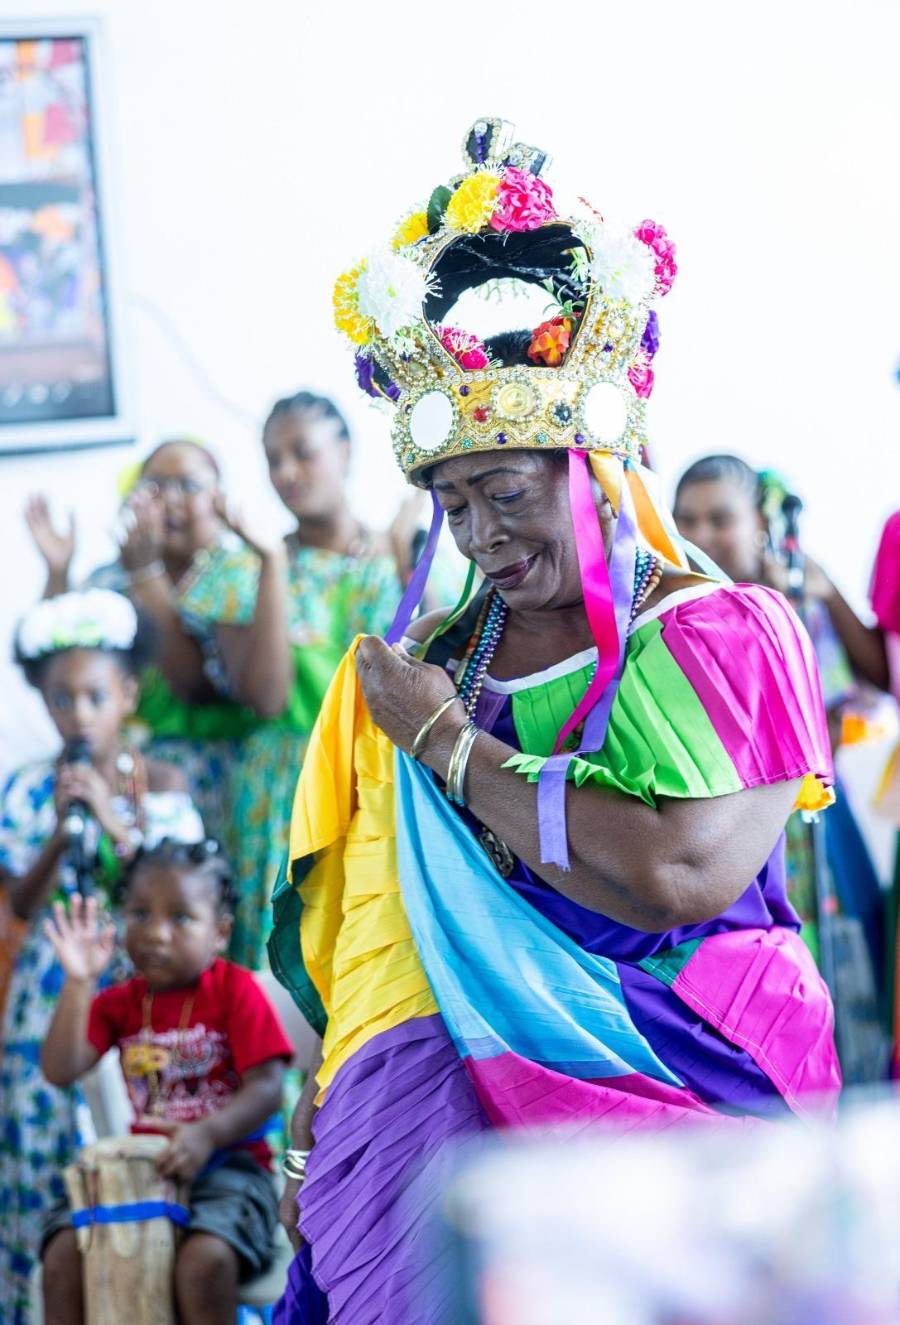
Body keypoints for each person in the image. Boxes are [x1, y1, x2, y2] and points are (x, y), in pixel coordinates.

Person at [269, 118, 841, 1323]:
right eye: (454, 504)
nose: (482, 538)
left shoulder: (719, 633)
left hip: (704, 1113)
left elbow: (675, 870)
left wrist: (449, 745)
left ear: (589, 467)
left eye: (510, 493)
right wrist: (339, 1099)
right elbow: (383, 939)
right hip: (462, 1127)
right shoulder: (420, 666)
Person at [0, 589, 204, 1324]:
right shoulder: (27, 789)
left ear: (126, 693)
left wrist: (114, 822)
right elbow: (22, 903)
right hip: (49, 995)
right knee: (48, 1141)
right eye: (62, 699)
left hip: (138, 996)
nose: (79, 714)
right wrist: (61, 827)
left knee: (136, 1144)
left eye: (93, 695)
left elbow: (172, 886)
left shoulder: (164, 789)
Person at [178, 391, 402, 967]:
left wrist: (406, 555)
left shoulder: (402, 556)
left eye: (302, 453)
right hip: (282, 789)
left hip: (375, 781)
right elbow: (268, 697)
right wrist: (272, 567)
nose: (285, 473)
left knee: (371, 963)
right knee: (290, 962)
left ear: (345, 451)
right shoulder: (242, 569)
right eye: (272, 459)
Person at [39, 838, 293, 1325]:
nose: (156, 933)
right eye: (139, 914)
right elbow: (60, 1068)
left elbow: (266, 1088)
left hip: (229, 1169)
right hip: (145, 1171)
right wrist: (78, 981)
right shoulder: (120, 1002)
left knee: (204, 1264)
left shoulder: (233, 990)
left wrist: (207, 1134)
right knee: (63, 1255)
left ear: (218, 932)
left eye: (180, 918)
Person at [673, 456, 885, 1028]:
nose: (699, 536)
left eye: (719, 518)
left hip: (800, 823)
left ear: (759, 524)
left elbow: (843, 712)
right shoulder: (666, 618)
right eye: (684, 520)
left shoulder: (796, 611)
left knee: (828, 980)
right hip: (711, 828)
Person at [25, 439, 261, 851]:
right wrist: (58, 572)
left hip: (225, 775)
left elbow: (197, 689)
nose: (170, 500)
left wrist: (147, 577)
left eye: (187, 485)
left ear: (218, 497)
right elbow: (61, 658)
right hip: (132, 781)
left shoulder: (238, 574)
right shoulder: (110, 580)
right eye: (155, 486)